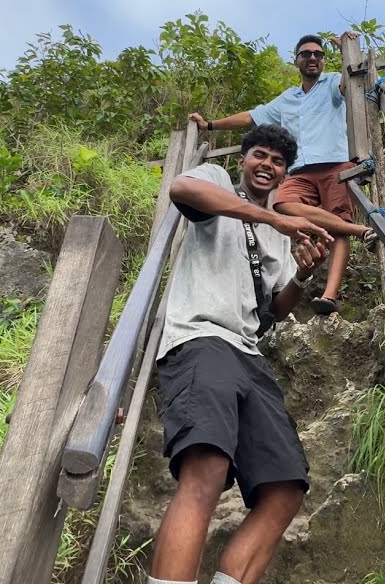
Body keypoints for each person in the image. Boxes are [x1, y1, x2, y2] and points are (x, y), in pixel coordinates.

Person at [147, 123, 331, 584]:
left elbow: (277, 309)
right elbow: (182, 188)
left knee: (285, 488)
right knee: (207, 468)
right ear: (243, 159)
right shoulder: (216, 180)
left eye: (277, 161)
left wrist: (302, 276)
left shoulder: (279, 239)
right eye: (260, 156)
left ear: (285, 172)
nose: (267, 165)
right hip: (200, 339)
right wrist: (273, 218)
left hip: (250, 354)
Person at [189, 31, 368, 316]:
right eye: (306, 54)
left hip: (334, 164)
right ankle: (360, 230)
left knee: (337, 222)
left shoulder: (333, 82)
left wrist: (348, 51)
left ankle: (330, 295)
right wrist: (209, 125)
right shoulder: (287, 99)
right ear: (296, 60)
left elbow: (353, 85)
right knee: (282, 203)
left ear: (324, 61)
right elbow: (251, 117)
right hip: (299, 171)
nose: (313, 58)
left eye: (318, 55)